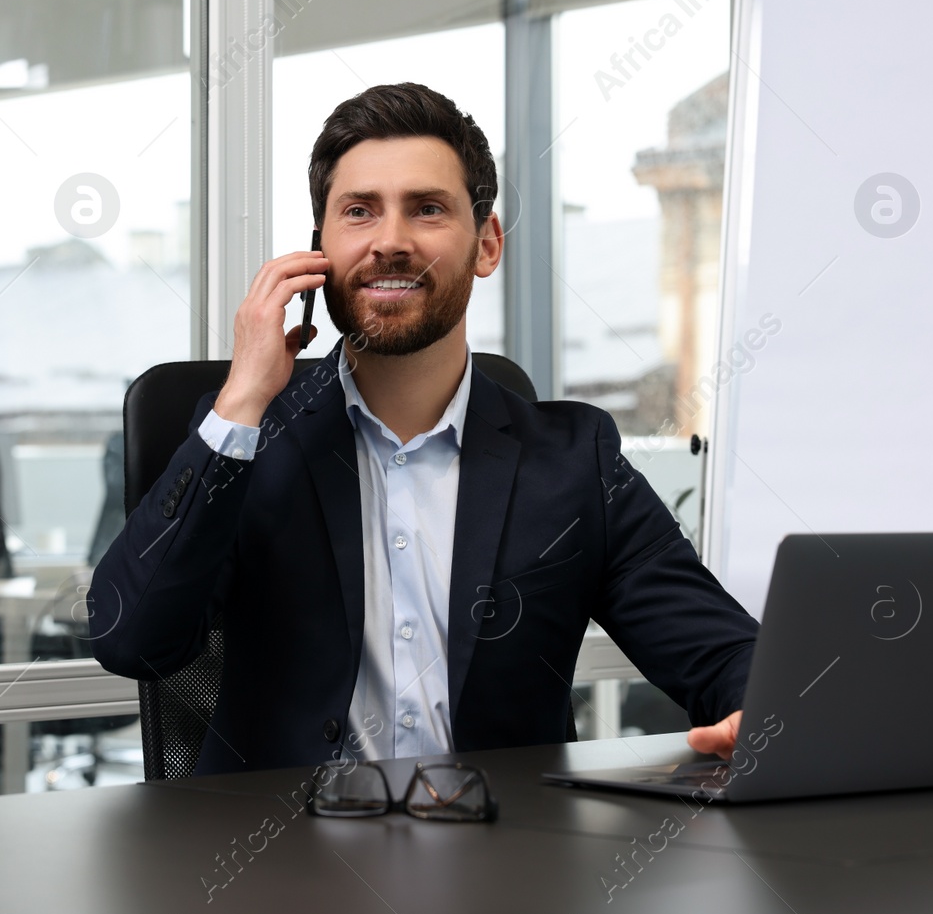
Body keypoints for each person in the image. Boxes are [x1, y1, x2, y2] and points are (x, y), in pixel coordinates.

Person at [90, 82, 756, 774]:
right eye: (359, 212)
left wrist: (759, 710)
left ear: (487, 243)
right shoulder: (248, 440)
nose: (391, 242)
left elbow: (722, 655)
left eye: (427, 209)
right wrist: (239, 404)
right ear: (320, 246)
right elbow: (127, 639)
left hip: (507, 859)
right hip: (280, 865)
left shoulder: (573, 459)